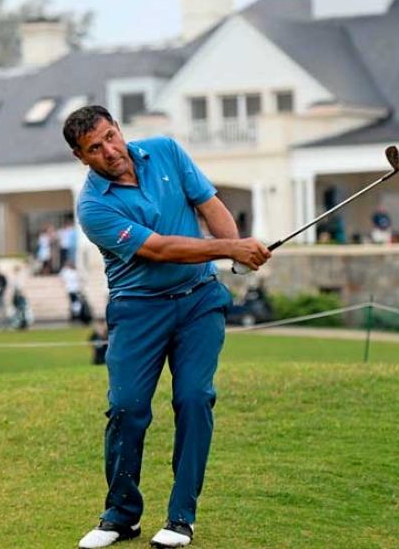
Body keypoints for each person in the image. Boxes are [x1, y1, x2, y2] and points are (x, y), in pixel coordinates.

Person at [64, 105, 271, 549]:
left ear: (119, 129)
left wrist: (235, 255)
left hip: (198, 302)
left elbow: (209, 204)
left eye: (110, 137)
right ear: (82, 158)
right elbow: (159, 249)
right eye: (94, 148)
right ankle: (121, 516)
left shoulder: (166, 152)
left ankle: (181, 519)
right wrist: (230, 247)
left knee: (195, 398)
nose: (108, 151)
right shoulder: (93, 206)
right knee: (126, 407)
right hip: (138, 310)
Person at [59, 260, 92, 325]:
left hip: (75, 290)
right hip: (71, 290)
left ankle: (75, 315)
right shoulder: (66, 271)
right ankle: (75, 315)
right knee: (75, 303)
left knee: (75, 303)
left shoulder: (73, 271)